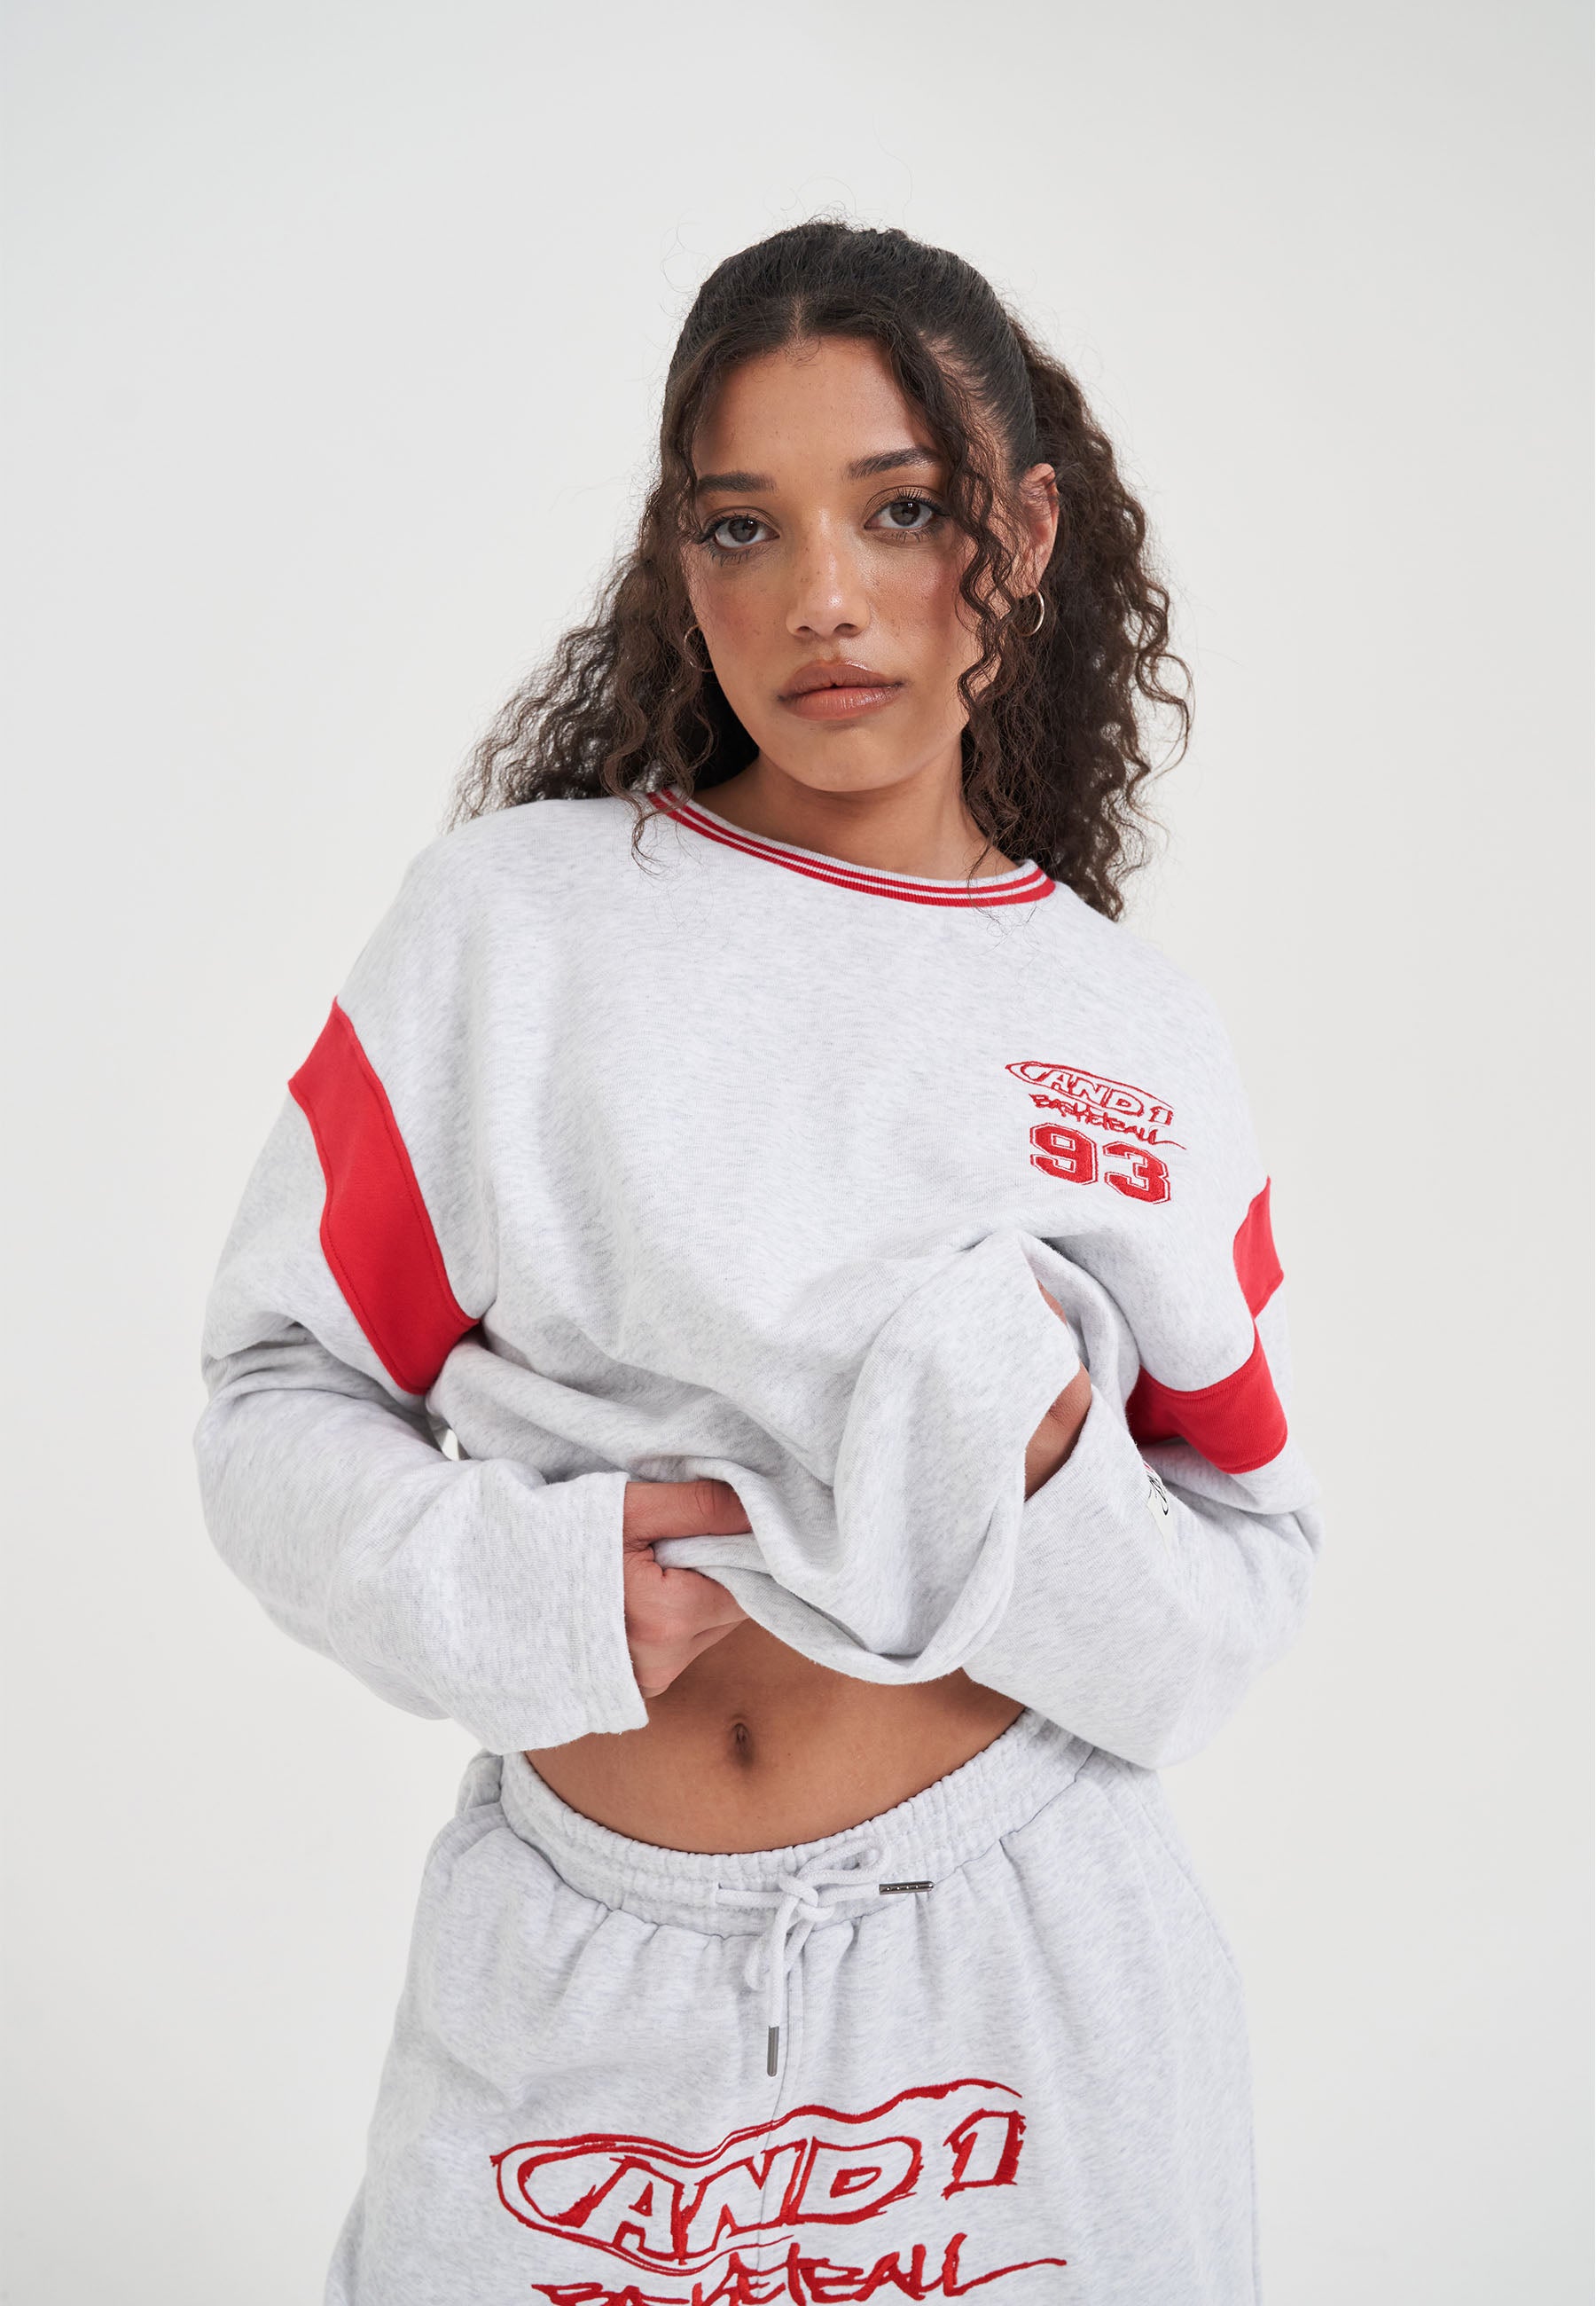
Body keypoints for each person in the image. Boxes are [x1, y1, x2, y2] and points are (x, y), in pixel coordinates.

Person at [193, 219, 1323, 2305]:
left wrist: (1053, 1473)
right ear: (678, 557)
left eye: (900, 512)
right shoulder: (513, 933)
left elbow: (1235, 1590)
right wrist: (534, 1589)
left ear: (1023, 534)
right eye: (743, 525)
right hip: (574, 1982)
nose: (822, 599)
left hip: (1025, 1978)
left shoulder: (1136, 1038)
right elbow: (274, 1402)